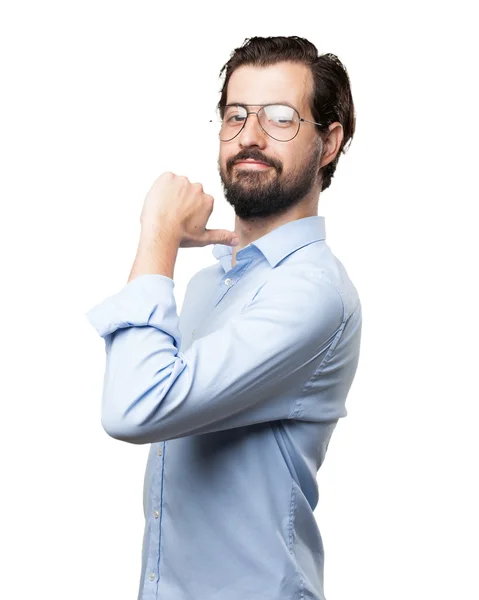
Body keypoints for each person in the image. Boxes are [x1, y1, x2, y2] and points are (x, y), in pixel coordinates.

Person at [85, 35, 362, 600]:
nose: (250, 138)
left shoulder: (311, 293)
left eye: (281, 118)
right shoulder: (213, 281)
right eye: (235, 116)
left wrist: (157, 237)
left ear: (328, 143)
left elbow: (134, 408)